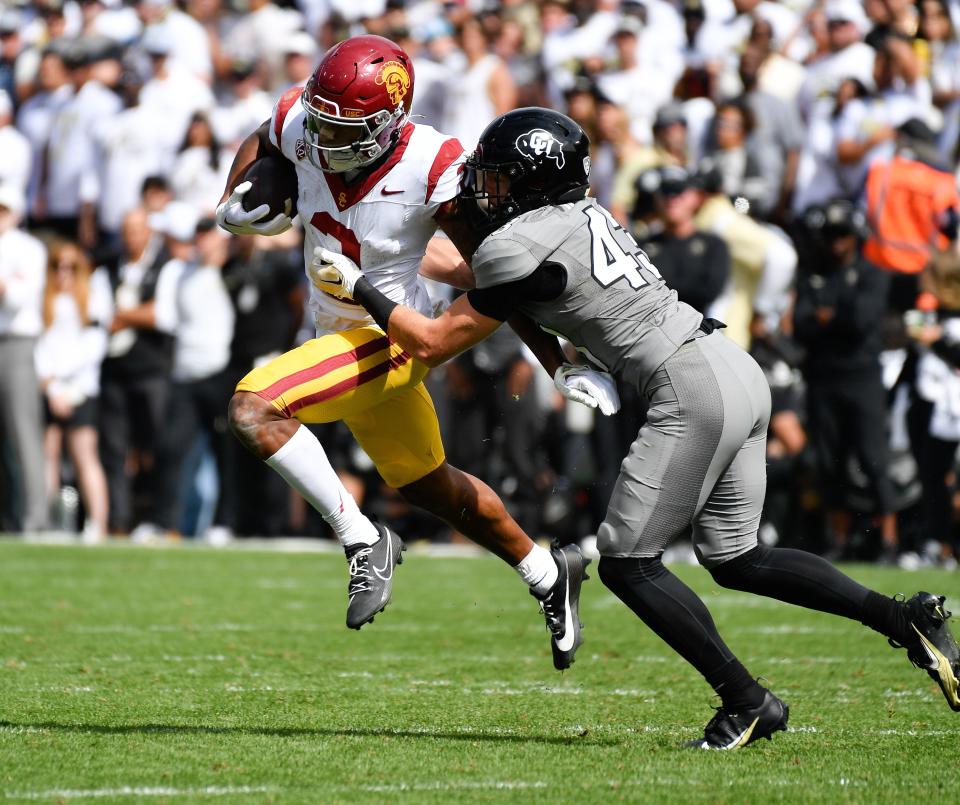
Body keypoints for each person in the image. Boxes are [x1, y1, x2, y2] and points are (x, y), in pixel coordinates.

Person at [320, 106, 960, 747]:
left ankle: (746, 700)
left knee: (627, 562)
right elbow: (499, 283)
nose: (491, 190)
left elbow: (431, 341)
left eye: (503, 177)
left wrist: (364, 284)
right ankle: (905, 618)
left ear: (533, 181)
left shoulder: (517, 243)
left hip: (687, 385)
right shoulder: (583, 215)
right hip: (732, 366)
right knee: (738, 558)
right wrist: (560, 358)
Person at [215, 36, 601, 666]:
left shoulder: (434, 165)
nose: (323, 140)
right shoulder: (302, 120)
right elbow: (267, 133)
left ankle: (362, 540)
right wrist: (230, 201)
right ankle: (547, 573)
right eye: (320, 122)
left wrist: (555, 360)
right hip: (333, 336)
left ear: (389, 123)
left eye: (344, 130)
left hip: (392, 337)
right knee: (432, 487)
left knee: (254, 409)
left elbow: (495, 271)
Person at [793, 200, 899, 562]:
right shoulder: (812, 273)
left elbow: (861, 320)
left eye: (842, 234)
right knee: (828, 460)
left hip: (862, 376)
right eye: (830, 235)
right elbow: (801, 324)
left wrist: (829, 317)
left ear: (855, 237)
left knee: (873, 457)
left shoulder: (872, 273)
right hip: (824, 377)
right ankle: (837, 538)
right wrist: (832, 318)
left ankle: (888, 539)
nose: (836, 242)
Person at [34, 240, 111, 543]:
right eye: (57, 266)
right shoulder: (45, 301)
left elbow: (93, 348)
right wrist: (52, 387)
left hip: (82, 388)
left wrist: (68, 386)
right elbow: (40, 347)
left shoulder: (92, 299)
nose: (64, 273)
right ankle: (49, 522)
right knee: (48, 453)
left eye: (70, 266)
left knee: (84, 455)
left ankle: (98, 523)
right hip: (52, 389)